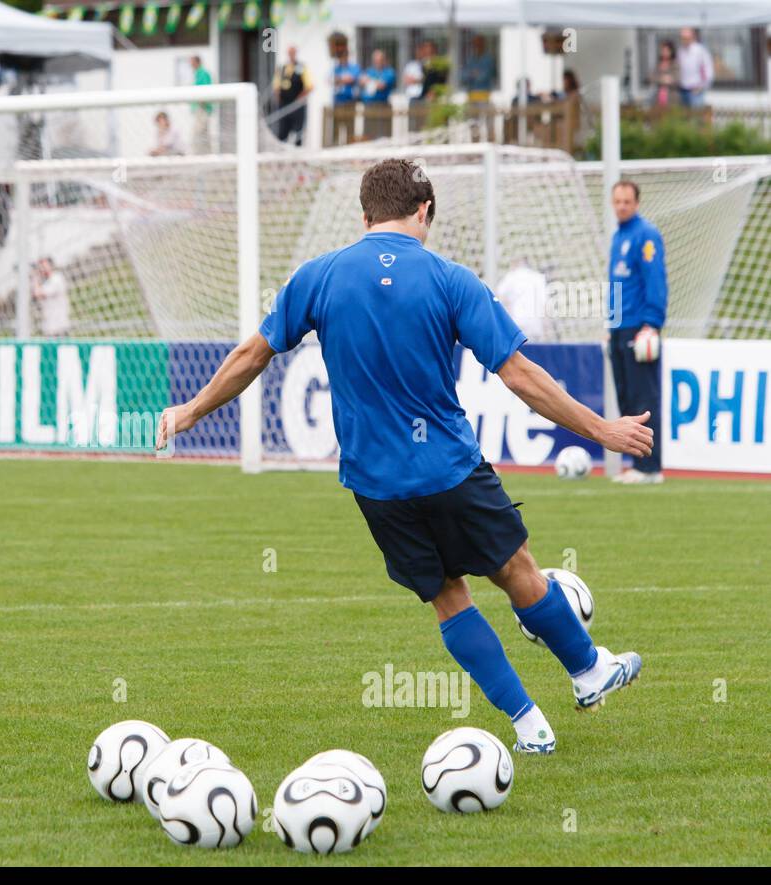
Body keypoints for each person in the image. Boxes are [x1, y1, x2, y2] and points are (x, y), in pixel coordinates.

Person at [157, 158, 650, 754]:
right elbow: (518, 374)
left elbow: (250, 356)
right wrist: (601, 429)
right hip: (448, 466)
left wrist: (188, 411)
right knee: (516, 569)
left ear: (364, 214)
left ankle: (528, 724)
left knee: (448, 597)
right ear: (424, 212)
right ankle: (589, 672)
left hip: (375, 482)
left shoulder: (319, 276)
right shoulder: (451, 279)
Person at [607, 180, 667, 484]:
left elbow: (655, 280)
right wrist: (611, 324)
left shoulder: (646, 235)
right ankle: (637, 463)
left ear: (637, 203)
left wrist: (652, 324)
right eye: (617, 201)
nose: (621, 206)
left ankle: (650, 467)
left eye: (627, 201)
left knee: (644, 398)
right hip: (619, 327)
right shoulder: (618, 236)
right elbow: (618, 288)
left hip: (639, 327)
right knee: (627, 398)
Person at [495, 259, 548, 341]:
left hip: (516, 322)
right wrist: (545, 327)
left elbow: (499, 297)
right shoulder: (538, 277)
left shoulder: (511, 276)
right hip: (534, 324)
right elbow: (544, 303)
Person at [272, 46, 313, 146]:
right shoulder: (282, 68)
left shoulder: (302, 67)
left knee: (298, 133)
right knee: (282, 132)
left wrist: (298, 100)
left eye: (293, 52)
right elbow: (276, 86)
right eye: (290, 52)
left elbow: (309, 86)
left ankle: (298, 156)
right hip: (284, 105)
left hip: (297, 106)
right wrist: (280, 100)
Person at [32, 257, 70, 338]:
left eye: (44, 266)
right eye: (40, 266)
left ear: (50, 266)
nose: (41, 268)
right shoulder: (46, 282)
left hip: (58, 328)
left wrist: (35, 278)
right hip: (49, 327)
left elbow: (37, 294)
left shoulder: (56, 279)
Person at [676, 28, 714, 108]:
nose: (684, 40)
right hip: (683, 89)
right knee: (684, 117)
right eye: (682, 38)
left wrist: (702, 86)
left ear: (692, 37)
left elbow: (708, 70)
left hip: (696, 90)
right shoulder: (680, 50)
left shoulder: (700, 50)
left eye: (686, 38)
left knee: (696, 117)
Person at [190, 55, 214, 154]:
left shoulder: (203, 73)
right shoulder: (197, 74)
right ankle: (207, 154)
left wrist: (202, 106)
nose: (190, 64)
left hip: (202, 108)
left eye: (191, 62)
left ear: (196, 62)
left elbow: (204, 92)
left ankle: (200, 155)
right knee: (203, 134)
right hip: (200, 108)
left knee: (198, 133)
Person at [329, 33, 361, 107]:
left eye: (344, 56)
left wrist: (338, 79)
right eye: (340, 56)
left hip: (350, 100)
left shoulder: (354, 67)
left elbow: (351, 79)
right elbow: (330, 80)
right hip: (337, 99)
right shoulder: (336, 68)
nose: (342, 58)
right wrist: (340, 79)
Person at [652, 40, 680, 108]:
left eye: (666, 50)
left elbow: (677, 79)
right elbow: (651, 77)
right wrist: (662, 79)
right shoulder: (658, 64)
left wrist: (669, 79)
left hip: (671, 96)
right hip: (659, 95)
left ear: (671, 51)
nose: (664, 53)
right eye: (663, 50)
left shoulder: (675, 64)